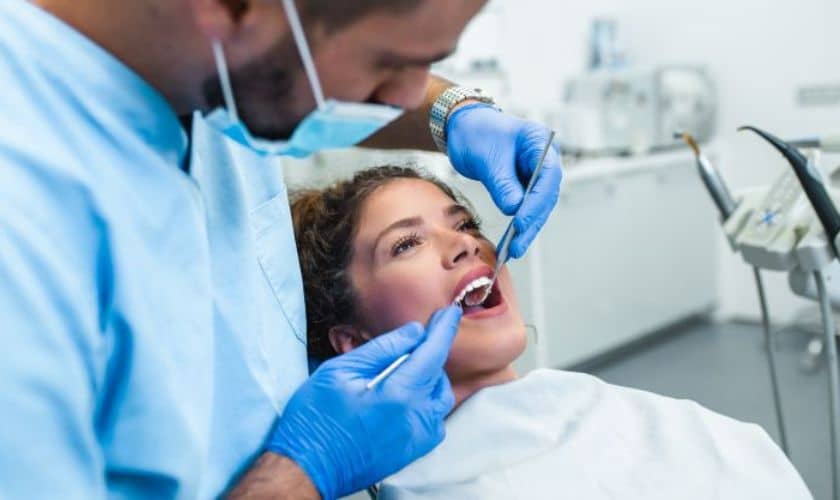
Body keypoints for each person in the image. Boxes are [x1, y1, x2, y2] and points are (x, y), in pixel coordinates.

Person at [0, 1, 563, 499]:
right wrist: (304, 470)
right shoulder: (25, 229)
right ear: (232, 8)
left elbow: (306, 81)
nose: (409, 97)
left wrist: (455, 112)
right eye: (386, 62)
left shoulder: (206, 71)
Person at [289, 165, 813, 500]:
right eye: (406, 244)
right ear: (354, 342)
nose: (467, 245)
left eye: (466, 224)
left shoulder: (659, 422)